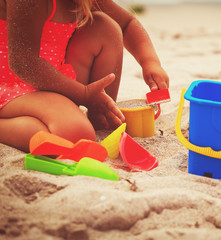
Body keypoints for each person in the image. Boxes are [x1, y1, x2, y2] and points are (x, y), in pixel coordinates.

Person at [0, 0, 169, 152]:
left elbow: (127, 24)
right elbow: (24, 63)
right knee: (76, 135)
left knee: (105, 27)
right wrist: (84, 94)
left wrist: (149, 61)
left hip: (55, 78)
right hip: (12, 83)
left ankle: (99, 115)